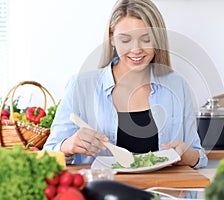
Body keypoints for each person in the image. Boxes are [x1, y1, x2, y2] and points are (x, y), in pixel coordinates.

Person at [43, 0, 208, 169]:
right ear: (111, 38)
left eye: (146, 39)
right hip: (103, 192)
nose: (136, 49)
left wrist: (185, 154)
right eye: (125, 40)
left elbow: (199, 156)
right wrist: (68, 146)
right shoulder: (80, 87)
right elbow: (47, 154)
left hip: (164, 194)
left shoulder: (177, 85)